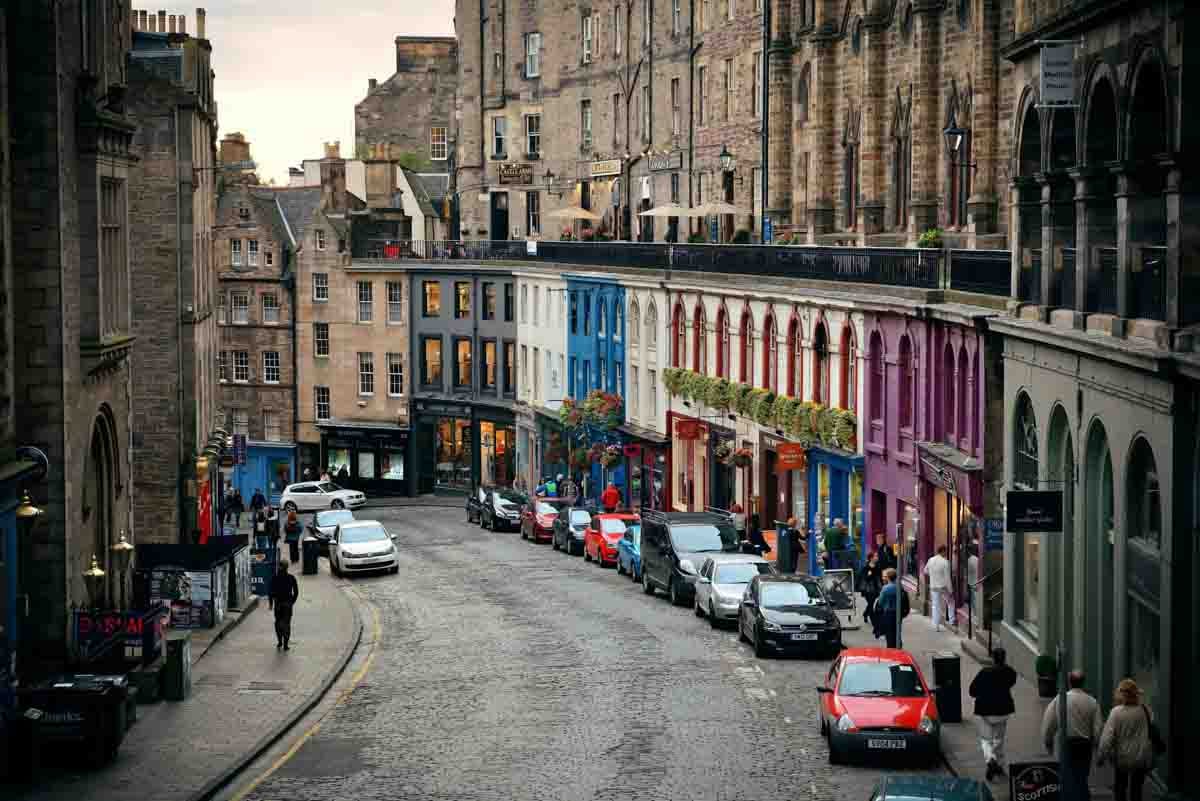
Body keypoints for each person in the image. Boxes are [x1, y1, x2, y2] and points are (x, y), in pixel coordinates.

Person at [1042, 670, 1103, 801]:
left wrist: (1048, 742)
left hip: (1067, 744)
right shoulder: (1092, 702)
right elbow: (1098, 729)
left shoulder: (1060, 699)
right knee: (1081, 775)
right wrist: (1098, 749)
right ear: (1083, 682)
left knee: (1066, 775)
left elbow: (1049, 723)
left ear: (1069, 682)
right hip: (1085, 745)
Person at [1097, 679, 1155, 801]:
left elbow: (1107, 737)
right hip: (1140, 757)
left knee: (1120, 788)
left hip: (1122, 758)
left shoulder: (1116, 712)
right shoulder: (1145, 711)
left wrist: (1101, 756)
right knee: (1136, 790)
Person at [969, 647, 1019, 781]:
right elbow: (1012, 681)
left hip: (985, 711)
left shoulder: (985, 672)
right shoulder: (1009, 672)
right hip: (1003, 710)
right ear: (1004, 658)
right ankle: (999, 764)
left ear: (993, 658)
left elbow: (972, 690)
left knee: (986, 739)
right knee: (999, 739)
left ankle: (991, 760)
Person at [268, 560, 299, 650]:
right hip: (287, 604)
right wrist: (292, 602)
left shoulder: (275, 577)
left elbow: (270, 591)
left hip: (278, 604)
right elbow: (296, 592)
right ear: (287, 567)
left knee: (278, 622)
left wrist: (271, 603)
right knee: (287, 624)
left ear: (279, 567)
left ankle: (279, 642)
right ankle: (285, 644)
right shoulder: (291, 578)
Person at [923, 544, 954, 631]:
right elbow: (948, 578)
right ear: (943, 551)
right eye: (946, 551)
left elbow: (925, 571)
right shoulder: (945, 562)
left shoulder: (931, 560)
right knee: (951, 602)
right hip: (943, 587)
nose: (946, 553)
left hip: (934, 587)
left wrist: (932, 575)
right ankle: (952, 620)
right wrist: (951, 590)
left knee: (936, 606)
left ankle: (936, 625)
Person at [873, 568, 902, 647]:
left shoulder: (886, 588)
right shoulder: (899, 586)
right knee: (897, 632)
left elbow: (880, 602)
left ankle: (891, 649)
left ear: (888, 577)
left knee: (889, 634)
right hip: (898, 613)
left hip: (889, 613)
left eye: (885, 576)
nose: (883, 578)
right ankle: (898, 647)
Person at [859, 551, 883, 627]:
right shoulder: (865, 568)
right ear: (871, 558)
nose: (877, 558)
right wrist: (868, 575)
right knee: (871, 604)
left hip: (876, 589)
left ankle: (865, 614)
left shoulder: (878, 566)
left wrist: (881, 586)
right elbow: (863, 578)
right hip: (867, 590)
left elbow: (880, 578)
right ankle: (874, 621)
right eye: (875, 556)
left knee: (871, 604)